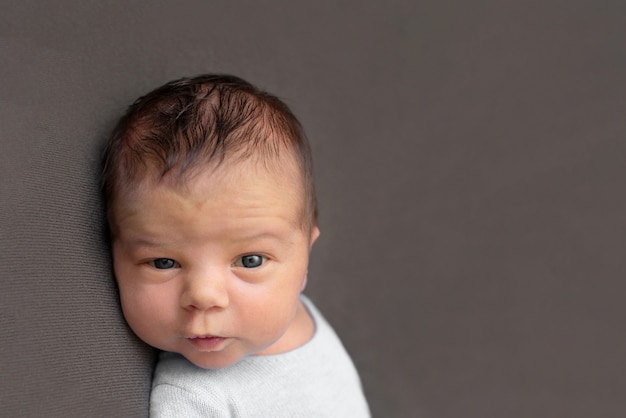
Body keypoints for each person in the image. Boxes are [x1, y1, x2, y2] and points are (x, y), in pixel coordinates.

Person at [101, 74, 370, 417]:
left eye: (251, 260)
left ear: (304, 260)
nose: (204, 296)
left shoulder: (302, 318)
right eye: (164, 262)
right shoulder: (192, 400)